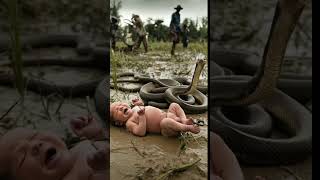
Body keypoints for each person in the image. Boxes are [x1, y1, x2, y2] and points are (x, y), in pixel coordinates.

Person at [0, 116, 108, 180]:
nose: (35, 145)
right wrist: (102, 170)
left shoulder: (77, 149)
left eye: (34, 136)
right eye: (23, 156)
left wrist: (97, 136)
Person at [110, 98, 200, 137]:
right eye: (116, 110)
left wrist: (140, 104)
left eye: (120, 104)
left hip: (168, 115)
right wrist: (141, 116)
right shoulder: (129, 123)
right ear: (119, 123)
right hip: (165, 128)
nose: (120, 107)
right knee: (165, 122)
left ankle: (184, 120)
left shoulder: (134, 108)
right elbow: (140, 132)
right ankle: (187, 127)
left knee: (174, 105)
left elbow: (145, 108)